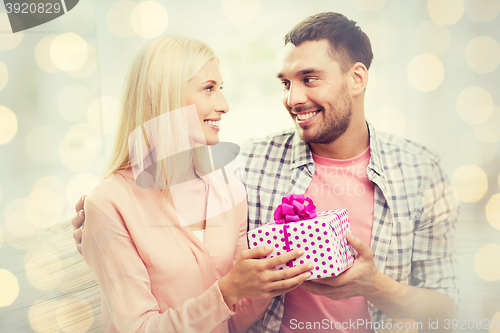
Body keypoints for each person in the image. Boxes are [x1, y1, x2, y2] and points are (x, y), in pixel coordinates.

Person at [73, 12, 460, 333]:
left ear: (356, 78)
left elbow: (447, 311)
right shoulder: (248, 166)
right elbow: (158, 193)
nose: (292, 99)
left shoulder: (421, 172)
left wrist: (376, 286)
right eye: (286, 83)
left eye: (309, 79)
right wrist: (97, 224)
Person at [79, 35, 314, 333]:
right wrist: (227, 292)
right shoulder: (108, 203)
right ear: (159, 96)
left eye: (221, 89)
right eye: (208, 89)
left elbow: (235, 324)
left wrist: (269, 279)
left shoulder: (229, 188)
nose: (224, 105)